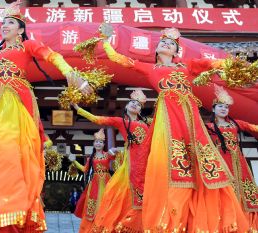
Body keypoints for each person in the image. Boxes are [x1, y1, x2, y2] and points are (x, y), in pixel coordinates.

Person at [0, 1, 90, 232]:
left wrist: (72, 74)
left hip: (15, 102)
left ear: (20, 29)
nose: (4, 26)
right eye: (2, 23)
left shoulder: (27, 46)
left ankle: (12, 204)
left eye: (9, 23)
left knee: (10, 149)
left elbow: (51, 56)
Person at [99, 23, 249, 231]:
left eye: (172, 44)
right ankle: (168, 217)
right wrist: (105, 41)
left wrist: (233, 64)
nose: (168, 45)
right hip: (168, 116)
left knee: (198, 157)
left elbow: (209, 63)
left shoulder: (187, 66)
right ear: (157, 48)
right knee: (169, 158)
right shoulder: (149, 68)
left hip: (189, 115)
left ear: (177, 51)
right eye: (164, 42)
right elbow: (120, 60)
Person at [73, 89, 150, 232]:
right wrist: (79, 109)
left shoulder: (147, 124)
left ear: (140, 110)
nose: (134, 105)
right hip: (133, 162)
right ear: (126, 107)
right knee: (127, 192)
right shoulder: (121, 122)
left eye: (138, 104)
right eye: (131, 102)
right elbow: (98, 119)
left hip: (148, 161)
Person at [206, 85, 258, 231]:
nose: (224, 109)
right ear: (214, 109)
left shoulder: (235, 124)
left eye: (226, 107)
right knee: (225, 193)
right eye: (220, 106)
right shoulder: (208, 127)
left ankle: (247, 224)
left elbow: (253, 127)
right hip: (222, 163)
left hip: (239, 163)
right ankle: (227, 224)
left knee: (245, 191)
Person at [68, 129, 115, 232]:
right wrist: (74, 161)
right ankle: (93, 228)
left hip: (107, 181)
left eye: (101, 142)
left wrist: (114, 151)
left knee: (106, 202)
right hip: (95, 183)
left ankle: (104, 226)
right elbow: (85, 169)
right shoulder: (91, 158)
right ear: (94, 144)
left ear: (103, 144)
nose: (98, 144)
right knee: (93, 203)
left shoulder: (107, 154)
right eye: (97, 142)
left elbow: (115, 157)